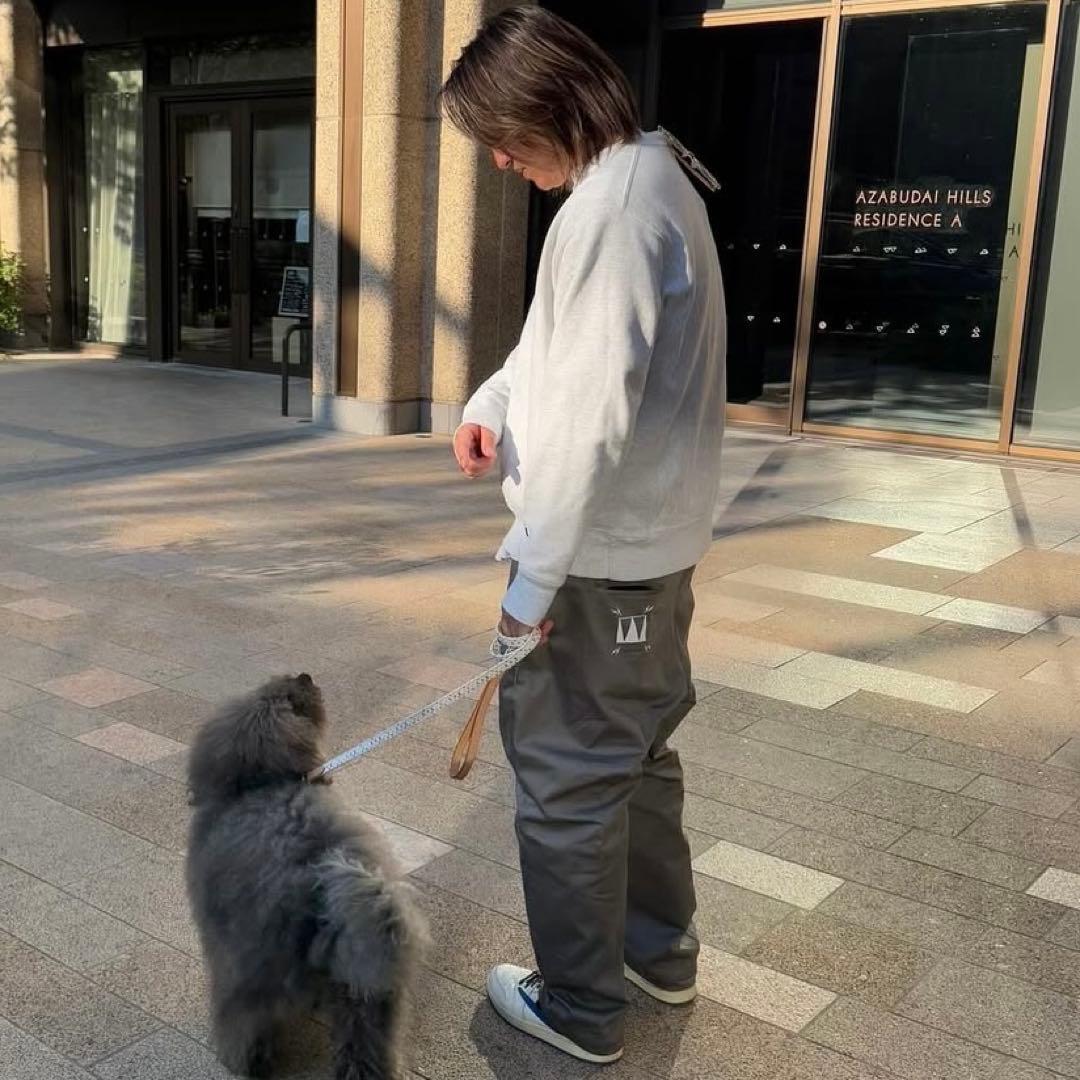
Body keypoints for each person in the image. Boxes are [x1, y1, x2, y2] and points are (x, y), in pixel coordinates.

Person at [440, 6, 727, 1066]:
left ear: (551, 102)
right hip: (649, 558)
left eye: (503, 137)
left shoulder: (611, 211)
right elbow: (553, 353)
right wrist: (493, 402)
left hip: (597, 568)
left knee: (568, 787)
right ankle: (660, 954)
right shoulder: (646, 179)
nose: (501, 161)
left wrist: (528, 593)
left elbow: (591, 420)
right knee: (637, 762)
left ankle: (580, 1009)